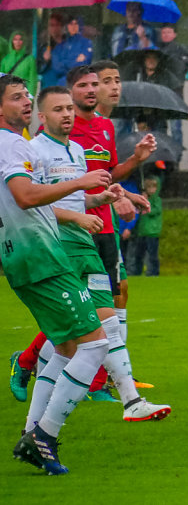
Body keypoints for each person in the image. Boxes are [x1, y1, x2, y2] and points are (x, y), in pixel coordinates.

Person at [28, 87, 171, 423]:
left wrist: (106, 198)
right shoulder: (35, 152)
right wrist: (77, 217)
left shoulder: (77, 150)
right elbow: (33, 203)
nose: (66, 114)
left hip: (84, 244)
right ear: (42, 116)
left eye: (68, 109)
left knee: (103, 326)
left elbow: (77, 200)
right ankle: (40, 421)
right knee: (73, 342)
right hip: (55, 245)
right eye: (58, 109)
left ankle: (130, 401)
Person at [1, 75, 111, 476]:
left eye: (27, 95)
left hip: (26, 257)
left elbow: (26, 204)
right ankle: (44, 435)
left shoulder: (10, 144)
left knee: (65, 350)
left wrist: (91, 197)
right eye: (16, 98)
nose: (25, 102)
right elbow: (25, 197)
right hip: (42, 258)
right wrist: (79, 182)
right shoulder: (13, 144)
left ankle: (32, 434)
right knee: (96, 346)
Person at [70, 62, 156, 357]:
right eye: (105, 81)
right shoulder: (64, 126)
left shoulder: (106, 127)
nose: (113, 87)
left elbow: (108, 175)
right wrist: (118, 196)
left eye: (116, 80)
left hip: (105, 223)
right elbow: (65, 179)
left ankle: (110, 374)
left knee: (116, 294)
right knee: (82, 302)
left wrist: (134, 166)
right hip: (75, 224)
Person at [157, 24, 188, 148]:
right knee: (160, 128)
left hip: (175, 94)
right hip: (159, 93)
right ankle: (161, 158)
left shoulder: (181, 50)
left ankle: (176, 157)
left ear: (175, 34)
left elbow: (182, 69)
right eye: (163, 32)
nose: (166, 35)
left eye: (169, 32)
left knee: (176, 128)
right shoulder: (156, 50)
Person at [50, 17, 93, 88]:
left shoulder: (86, 43)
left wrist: (65, 62)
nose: (73, 26)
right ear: (67, 26)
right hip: (63, 84)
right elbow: (56, 68)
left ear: (80, 26)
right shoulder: (61, 45)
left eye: (76, 24)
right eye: (71, 24)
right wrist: (75, 60)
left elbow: (83, 65)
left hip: (80, 82)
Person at [133, 176, 162, 277]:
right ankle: (137, 271)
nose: (151, 190)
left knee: (152, 255)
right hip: (143, 231)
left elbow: (154, 211)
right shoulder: (143, 199)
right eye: (149, 187)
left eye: (153, 187)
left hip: (152, 232)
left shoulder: (157, 200)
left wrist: (146, 203)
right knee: (139, 254)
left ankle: (154, 272)